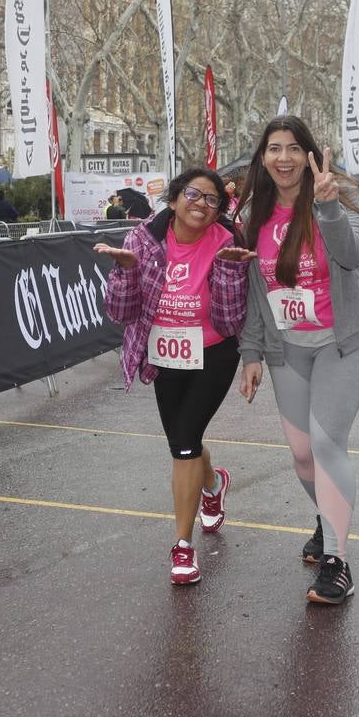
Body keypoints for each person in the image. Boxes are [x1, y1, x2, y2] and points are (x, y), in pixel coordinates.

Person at [236, 116, 359, 605]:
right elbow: (257, 293)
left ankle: (337, 562)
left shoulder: (334, 198)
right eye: (274, 149)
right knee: (301, 454)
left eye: (293, 148)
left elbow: (351, 256)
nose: (284, 158)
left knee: (326, 443)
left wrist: (326, 206)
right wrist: (252, 353)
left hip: (343, 342)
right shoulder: (253, 218)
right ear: (263, 158)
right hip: (288, 348)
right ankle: (328, 522)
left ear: (309, 156)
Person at [96, 168, 253, 585]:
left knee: (183, 444)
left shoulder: (228, 242)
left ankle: (182, 546)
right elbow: (121, 313)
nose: (201, 205)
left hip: (214, 352)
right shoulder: (143, 239)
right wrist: (126, 272)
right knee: (186, 440)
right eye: (193, 194)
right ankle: (213, 483)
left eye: (212, 200)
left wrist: (231, 272)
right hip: (163, 353)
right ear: (174, 198)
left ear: (221, 209)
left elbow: (231, 317)